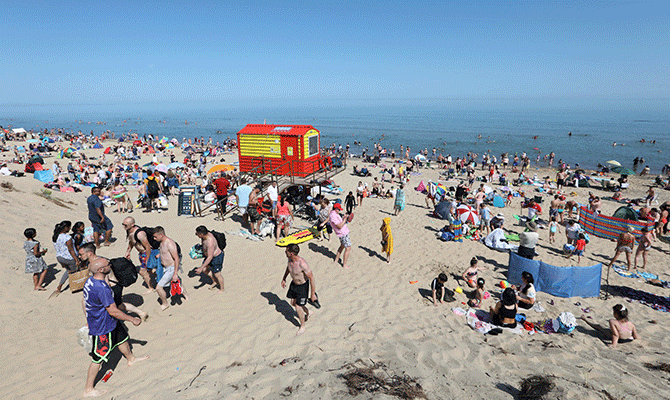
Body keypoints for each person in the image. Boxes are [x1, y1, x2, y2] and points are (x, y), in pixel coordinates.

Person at [79, 243, 148, 397]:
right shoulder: (101, 288)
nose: (110, 265)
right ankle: (88, 389)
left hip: (109, 322)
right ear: (102, 270)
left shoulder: (91, 280)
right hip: (102, 326)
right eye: (108, 264)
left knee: (122, 338)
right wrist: (132, 319)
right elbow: (114, 310)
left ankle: (131, 359)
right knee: (98, 358)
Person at [280, 244, 317, 335]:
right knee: (292, 303)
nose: (285, 252)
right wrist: (284, 278)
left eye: (286, 251)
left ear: (291, 253)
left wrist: (312, 294)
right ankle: (308, 312)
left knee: (298, 306)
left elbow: (312, 278)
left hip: (302, 287)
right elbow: (289, 269)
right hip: (294, 284)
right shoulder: (289, 259)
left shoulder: (302, 264)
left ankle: (302, 326)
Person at [153, 226, 189, 310]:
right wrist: (160, 256)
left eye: (155, 236)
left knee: (158, 287)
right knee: (177, 282)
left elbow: (176, 258)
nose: (154, 239)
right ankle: (186, 296)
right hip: (165, 268)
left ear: (161, 235)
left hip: (171, 268)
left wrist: (175, 273)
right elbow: (165, 252)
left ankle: (165, 303)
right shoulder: (161, 242)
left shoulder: (170, 243)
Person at [52, 220, 81, 296]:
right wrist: (76, 260)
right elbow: (71, 249)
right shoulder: (67, 237)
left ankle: (59, 286)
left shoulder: (55, 236)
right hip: (68, 257)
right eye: (69, 227)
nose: (70, 228)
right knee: (73, 271)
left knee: (68, 271)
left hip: (60, 257)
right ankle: (75, 286)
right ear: (65, 228)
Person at [194, 225, 225, 292]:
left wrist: (201, 268)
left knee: (217, 274)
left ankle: (222, 289)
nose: (196, 235)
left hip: (217, 257)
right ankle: (215, 281)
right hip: (209, 256)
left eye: (197, 234)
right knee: (205, 269)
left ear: (201, 234)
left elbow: (210, 257)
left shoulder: (210, 242)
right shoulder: (204, 236)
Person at [330, 203, 352, 269]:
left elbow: (339, 222)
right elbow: (339, 226)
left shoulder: (334, 214)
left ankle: (336, 260)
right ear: (336, 208)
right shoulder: (333, 215)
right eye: (339, 209)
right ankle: (344, 264)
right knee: (348, 248)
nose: (339, 210)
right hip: (342, 233)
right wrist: (345, 219)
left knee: (342, 246)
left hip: (342, 233)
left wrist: (344, 218)